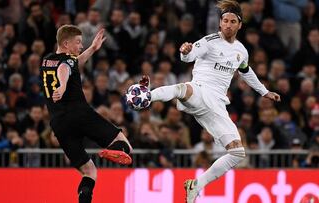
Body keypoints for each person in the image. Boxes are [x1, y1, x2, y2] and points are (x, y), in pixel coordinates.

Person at [136, 1, 280, 202]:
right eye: (224, 21)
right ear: (220, 23)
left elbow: (246, 71)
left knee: (237, 152)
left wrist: (264, 92)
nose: (228, 25)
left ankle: (196, 185)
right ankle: (146, 95)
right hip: (201, 90)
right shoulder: (209, 41)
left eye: (232, 21)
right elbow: (189, 56)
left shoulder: (241, 51)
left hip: (217, 105)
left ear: (239, 25)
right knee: (183, 88)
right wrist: (185, 51)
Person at [40, 25, 133, 203]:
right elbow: (65, 71)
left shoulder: (47, 60)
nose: (81, 46)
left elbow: (73, 64)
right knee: (126, 146)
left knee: (89, 171)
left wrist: (93, 48)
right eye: (79, 42)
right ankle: (113, 150)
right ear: (66, 43)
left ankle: (84, 199)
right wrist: (62, 86)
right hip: (79, 114)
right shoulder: (66, 62)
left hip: (58, 123)